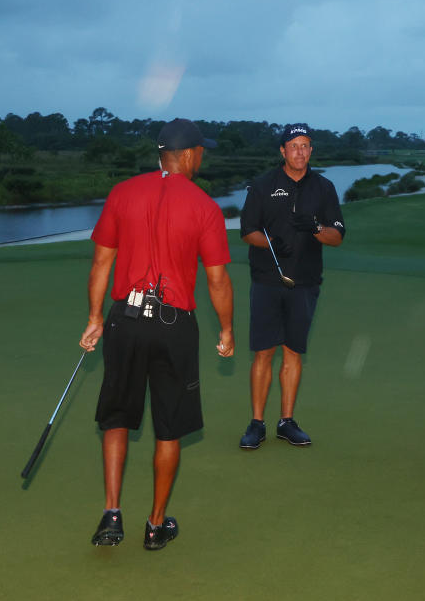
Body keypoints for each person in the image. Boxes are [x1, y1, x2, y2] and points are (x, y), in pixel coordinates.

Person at [79, 118, 235, 551]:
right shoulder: (205, 205)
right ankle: (155, 524)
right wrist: (226, 329)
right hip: (174, 327)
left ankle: (112, 514)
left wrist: (95, 318)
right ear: (188, 155)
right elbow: (218, 280)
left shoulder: (122, 193)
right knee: (168, 427)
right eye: (201, 151)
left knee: (117, 418)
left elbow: (101, 264)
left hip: (124, 320)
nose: (202, 157)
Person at [237, 123, 345, 449]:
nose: (300, 151)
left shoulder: (323, 188)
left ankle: (286, 421)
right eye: (294, 146)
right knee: (264, 353)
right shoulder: (263, 185)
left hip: (305, 281)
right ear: (282, 151)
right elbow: (247, 230)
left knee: (293, 352)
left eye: (306, 146)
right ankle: (257, 423)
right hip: (268, 280)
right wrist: (270, 242)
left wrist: (314, 228)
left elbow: (337, 236)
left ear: (311, 150)